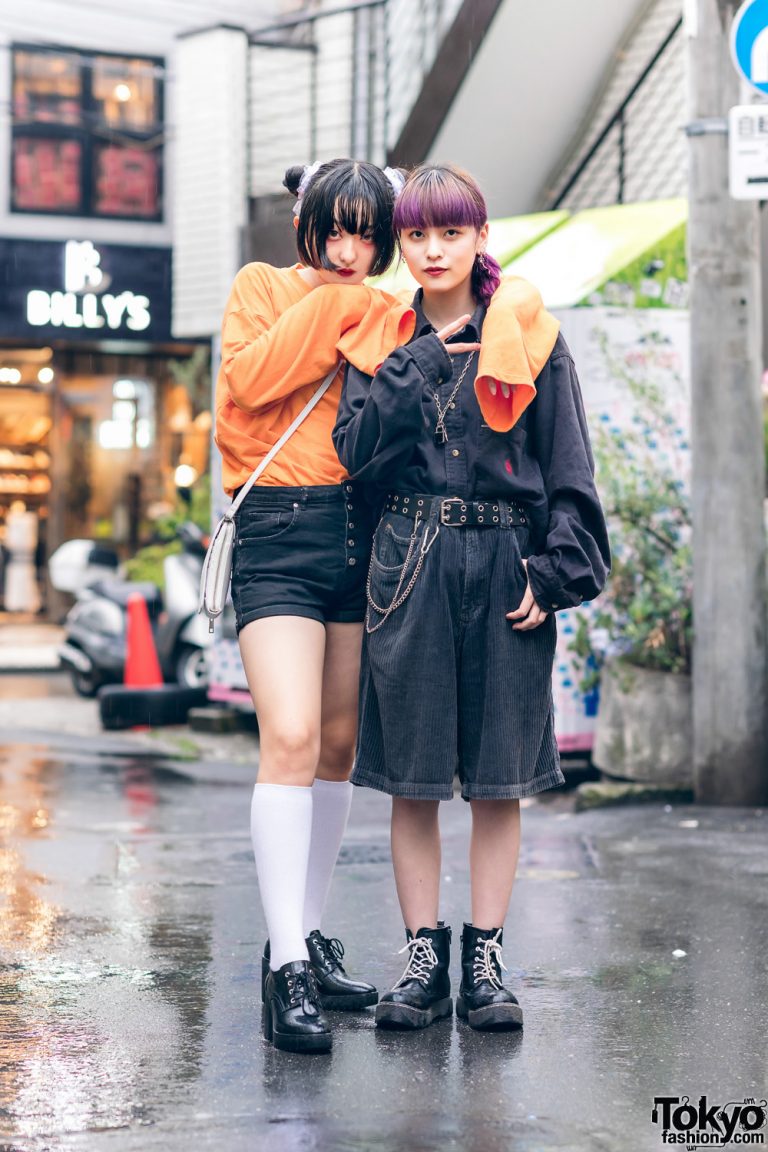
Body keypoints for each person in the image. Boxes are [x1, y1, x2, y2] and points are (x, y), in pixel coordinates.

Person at [333, 163, 610, 1033]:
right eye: (415, 234)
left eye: (450, 232)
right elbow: (355, 452)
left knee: (499, 782)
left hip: (505, 561)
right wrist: (414, 363)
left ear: (482, 237)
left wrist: (554, 570)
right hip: (408, 559)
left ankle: (483, 960)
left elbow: (568, 466)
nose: (432, 249)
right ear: (400, 243)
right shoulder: (381, 333)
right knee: (412, 782)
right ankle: (424, 961)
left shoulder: (528, 330)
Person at [215, 158, 414, 1054]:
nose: (348, 251)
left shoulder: (390, 304)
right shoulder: (261, 286)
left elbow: (394, 389)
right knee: (290, 737)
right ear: (307, 224)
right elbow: (248, 391)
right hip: (278, 532)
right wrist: (341, 311)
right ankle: (287, 969)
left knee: (337, 746)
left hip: (356, 533)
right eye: (332, 230)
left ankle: (303, 936)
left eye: (366, 235)